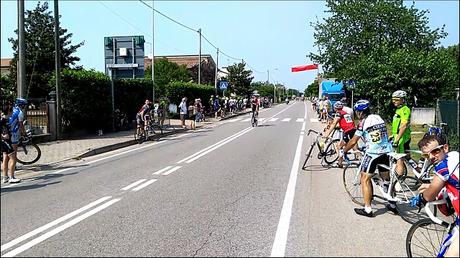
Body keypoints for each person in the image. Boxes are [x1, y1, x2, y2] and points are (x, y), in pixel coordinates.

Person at [341, 100, 393, 217]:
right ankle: (392, 204)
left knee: (364, 178)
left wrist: (344, 151)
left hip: (373, 153)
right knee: (386, 179)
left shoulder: (362, 122)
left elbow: (354, 140)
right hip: (386, 151)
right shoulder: (378, 117)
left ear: (360, 112)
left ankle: (368, 209)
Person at [410, 134, 459, 257]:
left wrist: (421, 198)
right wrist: (431, 187)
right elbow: (451, 181)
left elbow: (429, 196)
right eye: (426, 155)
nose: (431, 157)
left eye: (435, 151)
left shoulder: (443, 168)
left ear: (445, 148)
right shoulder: (455, 156)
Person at [323, 101, 356, 168]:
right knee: (346, 146)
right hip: (352, 130)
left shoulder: (338, 113)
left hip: (348, 131)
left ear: (335, 108)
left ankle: (340, 163)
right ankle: (340, 162)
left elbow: (334, 124)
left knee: (339, 146)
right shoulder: (345, 113)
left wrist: (327, 134)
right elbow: (345, 123)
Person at [391, 90, 412, 177]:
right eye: (393, 99)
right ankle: (420, 174)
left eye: (396, 99)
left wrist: (397, 140)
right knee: (407, 157)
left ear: (403, 100)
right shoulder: (399, 109)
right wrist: (393, 135)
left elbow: (403, 126)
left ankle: (397, 183)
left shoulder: (405, 110)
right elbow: (397, 124)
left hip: (402, 137)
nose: (394, 101)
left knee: (399, 159)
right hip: (398, 136)